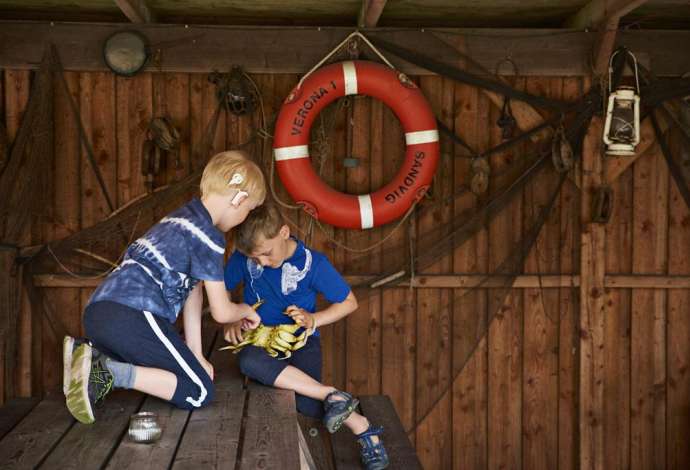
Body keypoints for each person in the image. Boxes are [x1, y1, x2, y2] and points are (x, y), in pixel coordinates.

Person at [63, 150, 265, 424]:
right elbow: (221, 312)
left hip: (100, 314)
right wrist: (245, 310)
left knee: (192, 375)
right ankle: (108, 373)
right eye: (248, 210)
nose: (244, 217)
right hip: (135, 314)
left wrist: (195, 354)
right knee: (198, 391)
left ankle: (87, 354)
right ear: (238, 199)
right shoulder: (209, 236)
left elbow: (191, 289)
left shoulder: (179, 219)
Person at [223, 203, 389, 470]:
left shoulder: (314, 264)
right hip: (260, 342)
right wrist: (231, 317)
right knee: (248, 361)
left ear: (284, 232)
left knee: (307, 405)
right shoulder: (244, 259)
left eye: (266, 254)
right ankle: (342, 404)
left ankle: (363, 427)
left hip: (301, 342)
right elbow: (217, 288)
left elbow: (349, 302)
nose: (262, 263)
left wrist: (314, 320)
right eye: (256, 259)